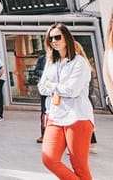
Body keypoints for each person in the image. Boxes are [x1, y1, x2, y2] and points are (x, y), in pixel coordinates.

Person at [38, 23, 94, 180]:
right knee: (49, 159)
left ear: (66, 38)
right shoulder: (51, 62)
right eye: (50, 39)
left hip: (78, 117)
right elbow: (41, 88)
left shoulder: (79, 62)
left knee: (79, 165)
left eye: (57, 37)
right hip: (55, 116)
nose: (54, 41)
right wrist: (56, 87)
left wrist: (52, 86)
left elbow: (72, 91)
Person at [33, 53, 47, 144]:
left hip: (58, 89)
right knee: (44, 112)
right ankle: (44, 134)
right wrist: (46, 74)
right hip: (46, 88)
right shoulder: (42, 58)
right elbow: (36, 71)